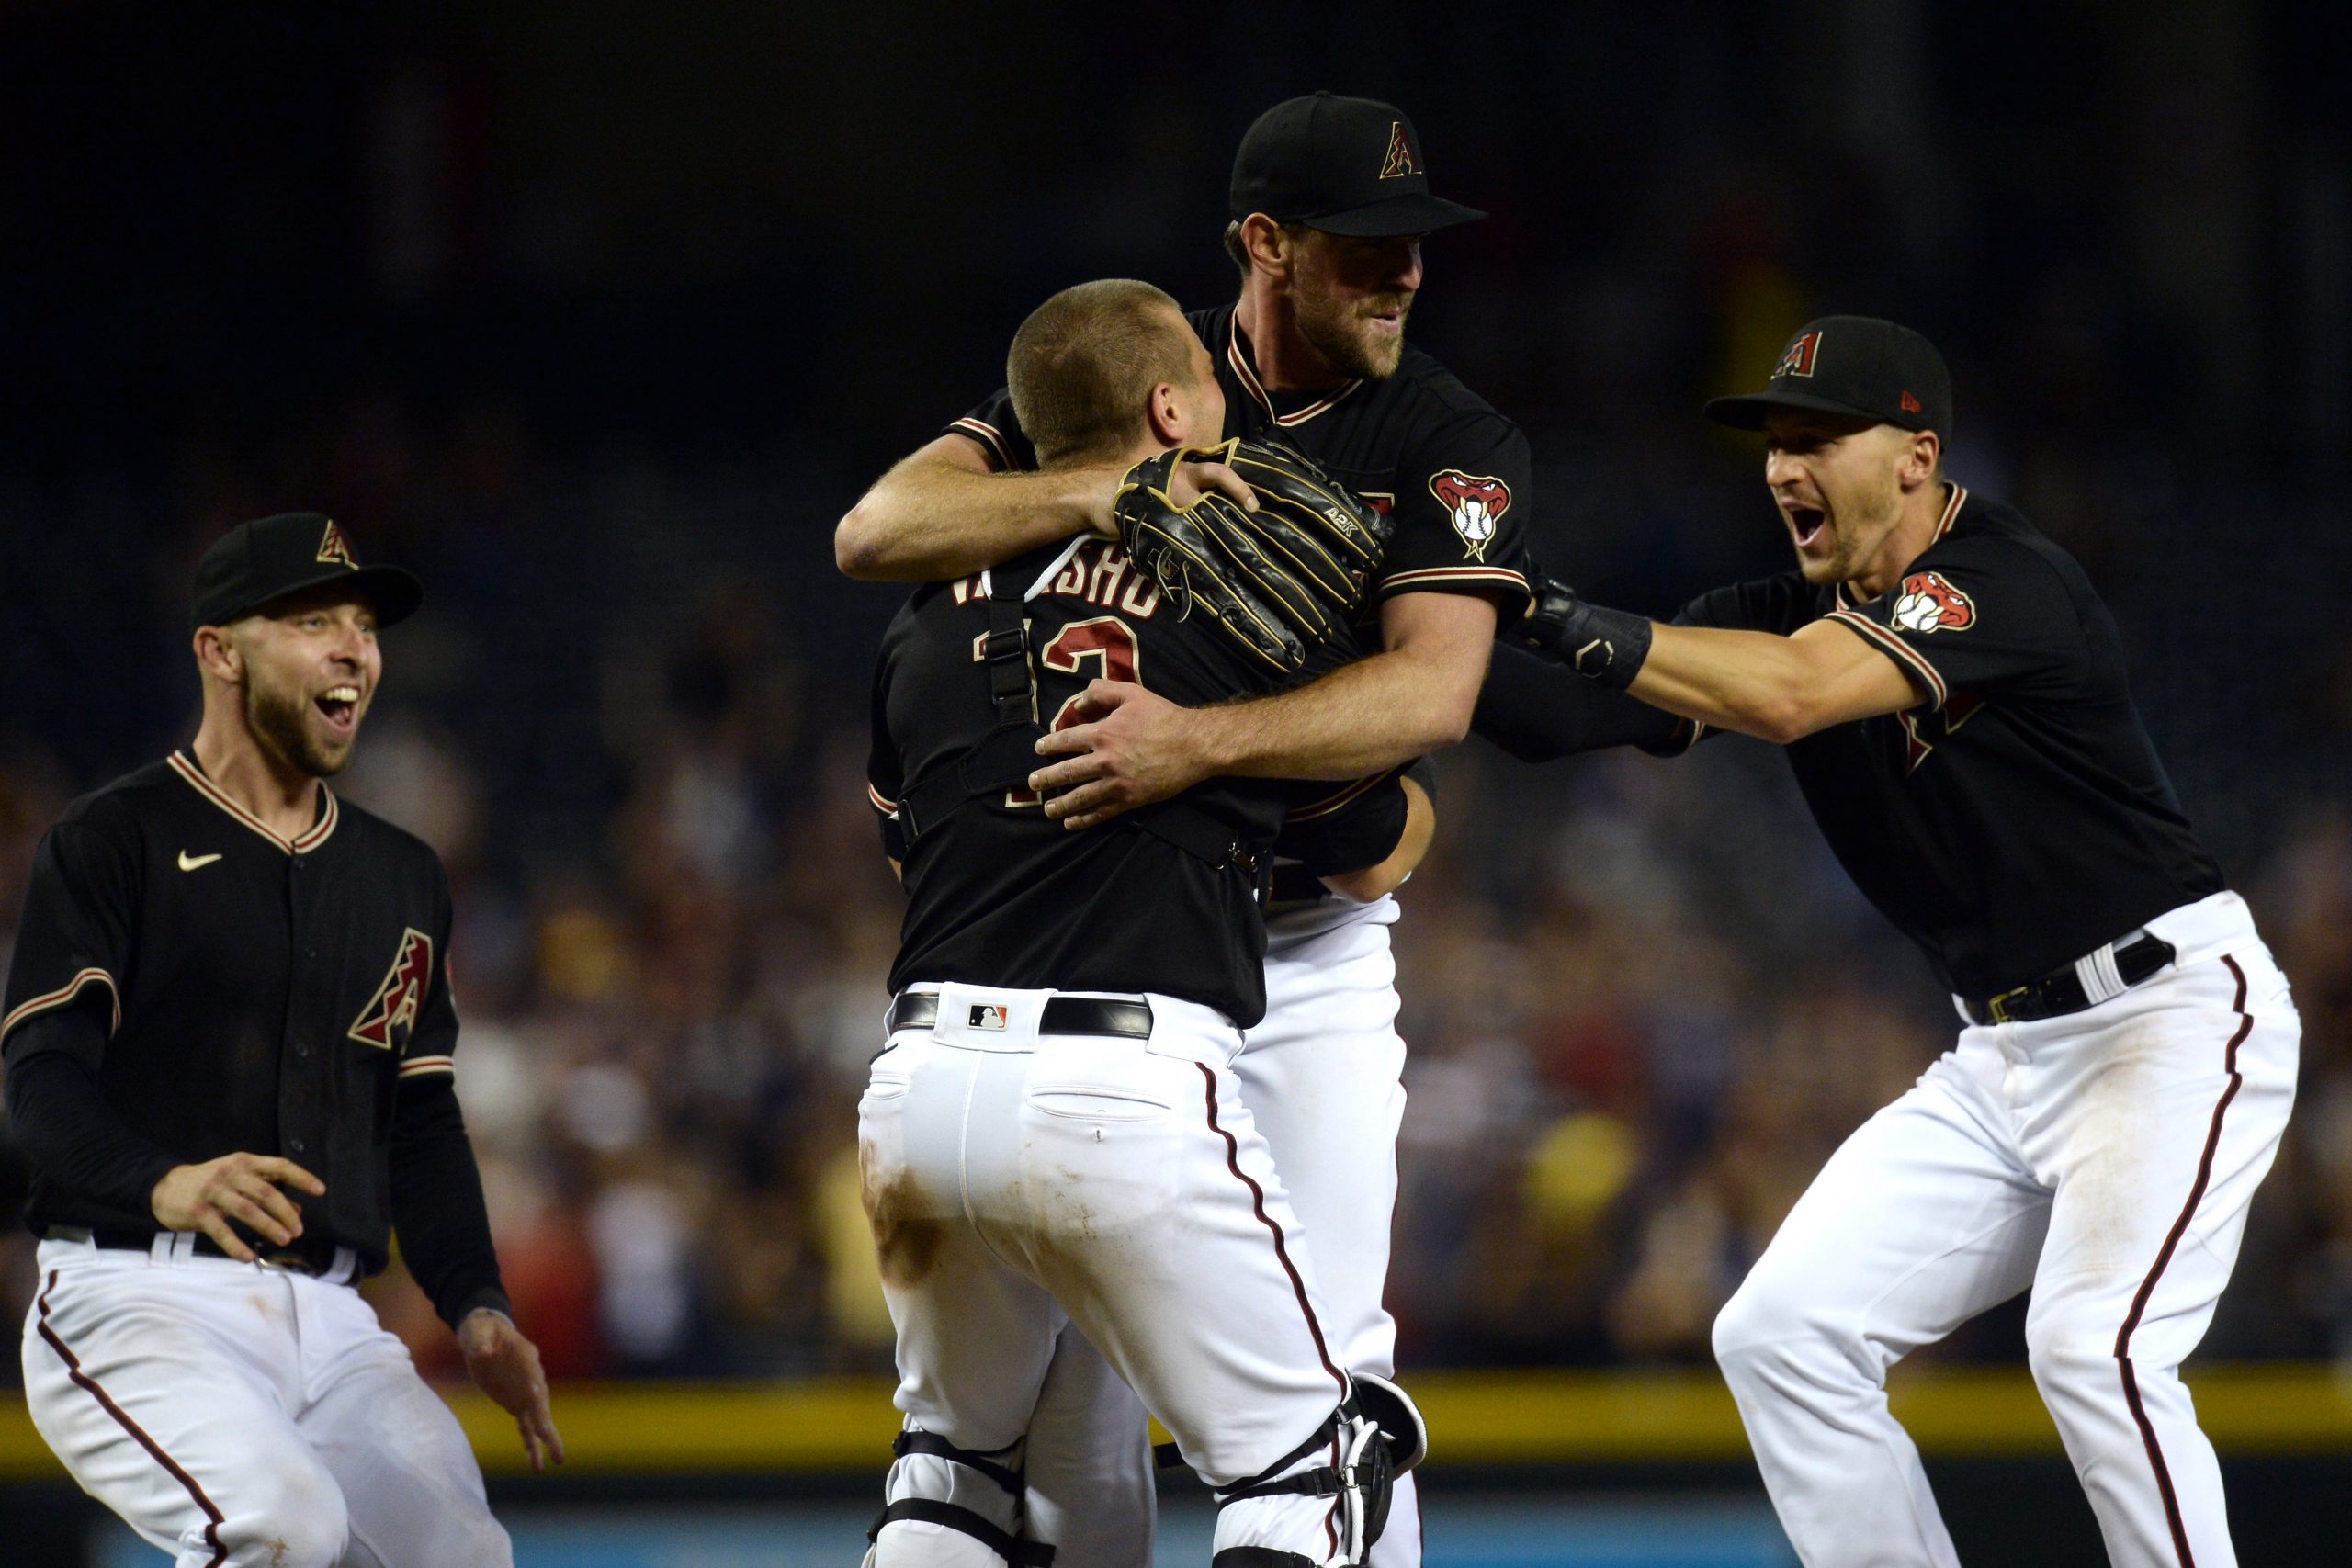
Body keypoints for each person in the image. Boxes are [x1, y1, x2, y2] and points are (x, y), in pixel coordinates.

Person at [1487, 316, 2300, 1568]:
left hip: (2169, 1017)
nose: (1781, 466)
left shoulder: (2006, 574)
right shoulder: (1776, 612)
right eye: (1772, 441)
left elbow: (1796, 692)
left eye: (1817, 436)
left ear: (1918, 455)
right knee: (1782, 1331)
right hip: (1999, 1060)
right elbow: (1570, 711)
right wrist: (1444, 617)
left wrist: (1560, 606)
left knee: (2095, 1347)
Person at [837, 93, 1521, 1563]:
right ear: (1264, 246)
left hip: (1285, 955)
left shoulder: (1444, 431)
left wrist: (1193, 746)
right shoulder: (1129, 363)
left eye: (1416, 245)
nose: (1405, 272)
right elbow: (872, 525)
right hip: (1137, 970)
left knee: (1271, 1358)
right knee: (1274, 1440)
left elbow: (1436, 690)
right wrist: (1118, 482)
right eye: (1367, 247)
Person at [6, 513, 562, 1568]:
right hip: (136, 1293)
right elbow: (37, 1080)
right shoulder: (112, 840)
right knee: (278, 1527)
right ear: (219, 651)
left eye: (365, 624)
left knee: (465, 1556)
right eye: (314, 621)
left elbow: (420, 1120)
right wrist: (159, 1178)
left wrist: (476, 1302)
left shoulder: (402, 876)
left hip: (334, 1317)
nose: (356, 647)